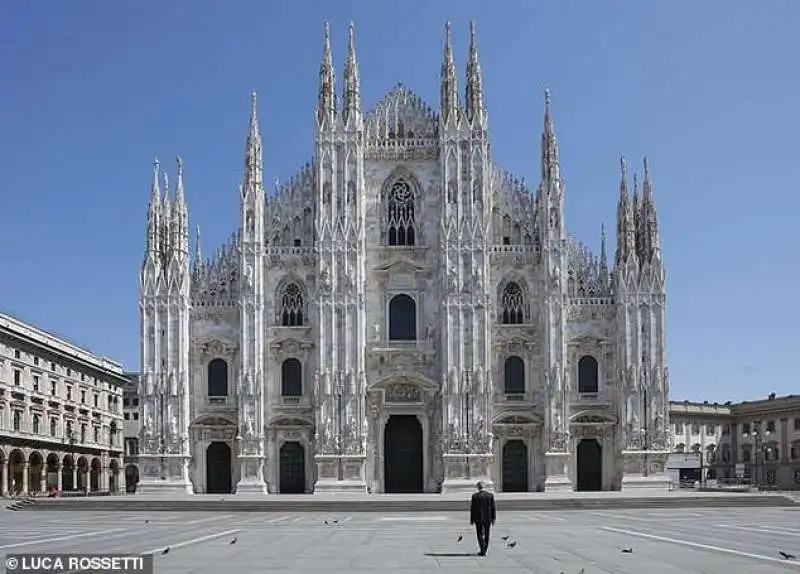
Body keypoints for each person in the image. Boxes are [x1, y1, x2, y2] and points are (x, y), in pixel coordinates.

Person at [469, 481, 496, 556]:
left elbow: (473, 509)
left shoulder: (475, 496)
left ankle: (482, 548)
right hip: (488, 518)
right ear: (485, 487)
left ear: (478, 487)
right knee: (487, 533)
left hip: (478, 518)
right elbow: (493, 508)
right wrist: (493, 518)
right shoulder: (490, 495)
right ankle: (485, 549)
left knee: (479, 534)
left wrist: (472, 519)